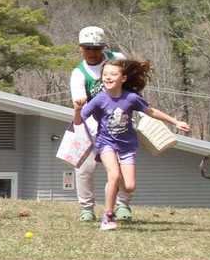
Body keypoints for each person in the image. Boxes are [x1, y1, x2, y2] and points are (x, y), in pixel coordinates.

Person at [73, 58, 189, 231]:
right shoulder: (99, 99)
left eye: (113, 74)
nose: (108, 77)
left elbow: (151, 111)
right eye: (105, 74)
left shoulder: (131, 98)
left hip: (127, 146)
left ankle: (114, 188)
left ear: (124, 78)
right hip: (106, 143)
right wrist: (76, 110)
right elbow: (78, 121)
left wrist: (175, 121)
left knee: (129, 186)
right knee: (113, 175)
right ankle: (108, 216)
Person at [70, 26, 133, 222]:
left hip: (119, 122)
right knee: (84, 168)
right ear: (80, 48)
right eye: (87, 48)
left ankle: (123, 205)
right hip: (92, 125)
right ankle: (87, 208)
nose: (91, 52)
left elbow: (134, 82)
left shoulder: (118, 59)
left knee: (122, 168)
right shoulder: (79, 74)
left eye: (96, 48)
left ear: (103, 47)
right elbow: (83, 105)